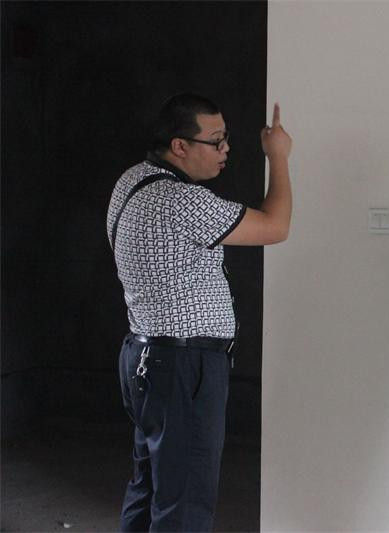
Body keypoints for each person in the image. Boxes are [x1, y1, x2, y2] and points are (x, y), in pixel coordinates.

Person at [106, 93, 292, 532]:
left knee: (150, 484)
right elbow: (276, 226)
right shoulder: (181, 200)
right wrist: (279, 157)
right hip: (183, 364)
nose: (226, 149)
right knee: (185, 498)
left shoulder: (131, 181)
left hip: (143, 356)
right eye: (216, 140)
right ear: (179, 146)